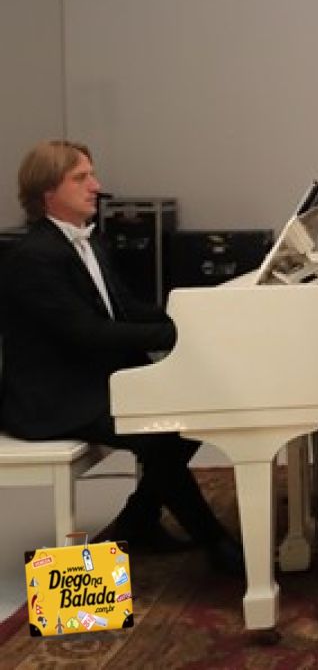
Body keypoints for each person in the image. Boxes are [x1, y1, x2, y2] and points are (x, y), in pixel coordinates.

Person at [0, 140, 242, 574]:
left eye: (92, 175)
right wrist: (173, 334)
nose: (96, 185)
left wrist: (194, 316)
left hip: (93, 378)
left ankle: (138, 520)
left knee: (195, 413)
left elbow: (125, 309)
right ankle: (215, 544)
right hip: (53, 397)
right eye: (81, 177)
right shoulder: (33, 258)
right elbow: (87, 333)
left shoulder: (89, 242)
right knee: (160, 434)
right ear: (48, 190)